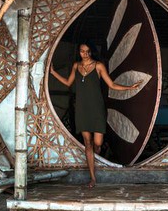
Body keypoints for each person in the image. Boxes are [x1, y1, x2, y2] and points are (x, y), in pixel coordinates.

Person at [50, 42, 140, 188]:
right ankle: (92, 178)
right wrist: (53, 73)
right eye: (82, 51)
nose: (85, 54)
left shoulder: (98, 66)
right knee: (88, 143)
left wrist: (129, 87)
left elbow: (111, 85)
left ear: (91, 52)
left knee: (97, 144)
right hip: (82, 108)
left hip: (96, 108)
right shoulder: (75, 66)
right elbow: (68, 83)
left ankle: (97, 156)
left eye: (87, 51)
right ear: (79, 52)